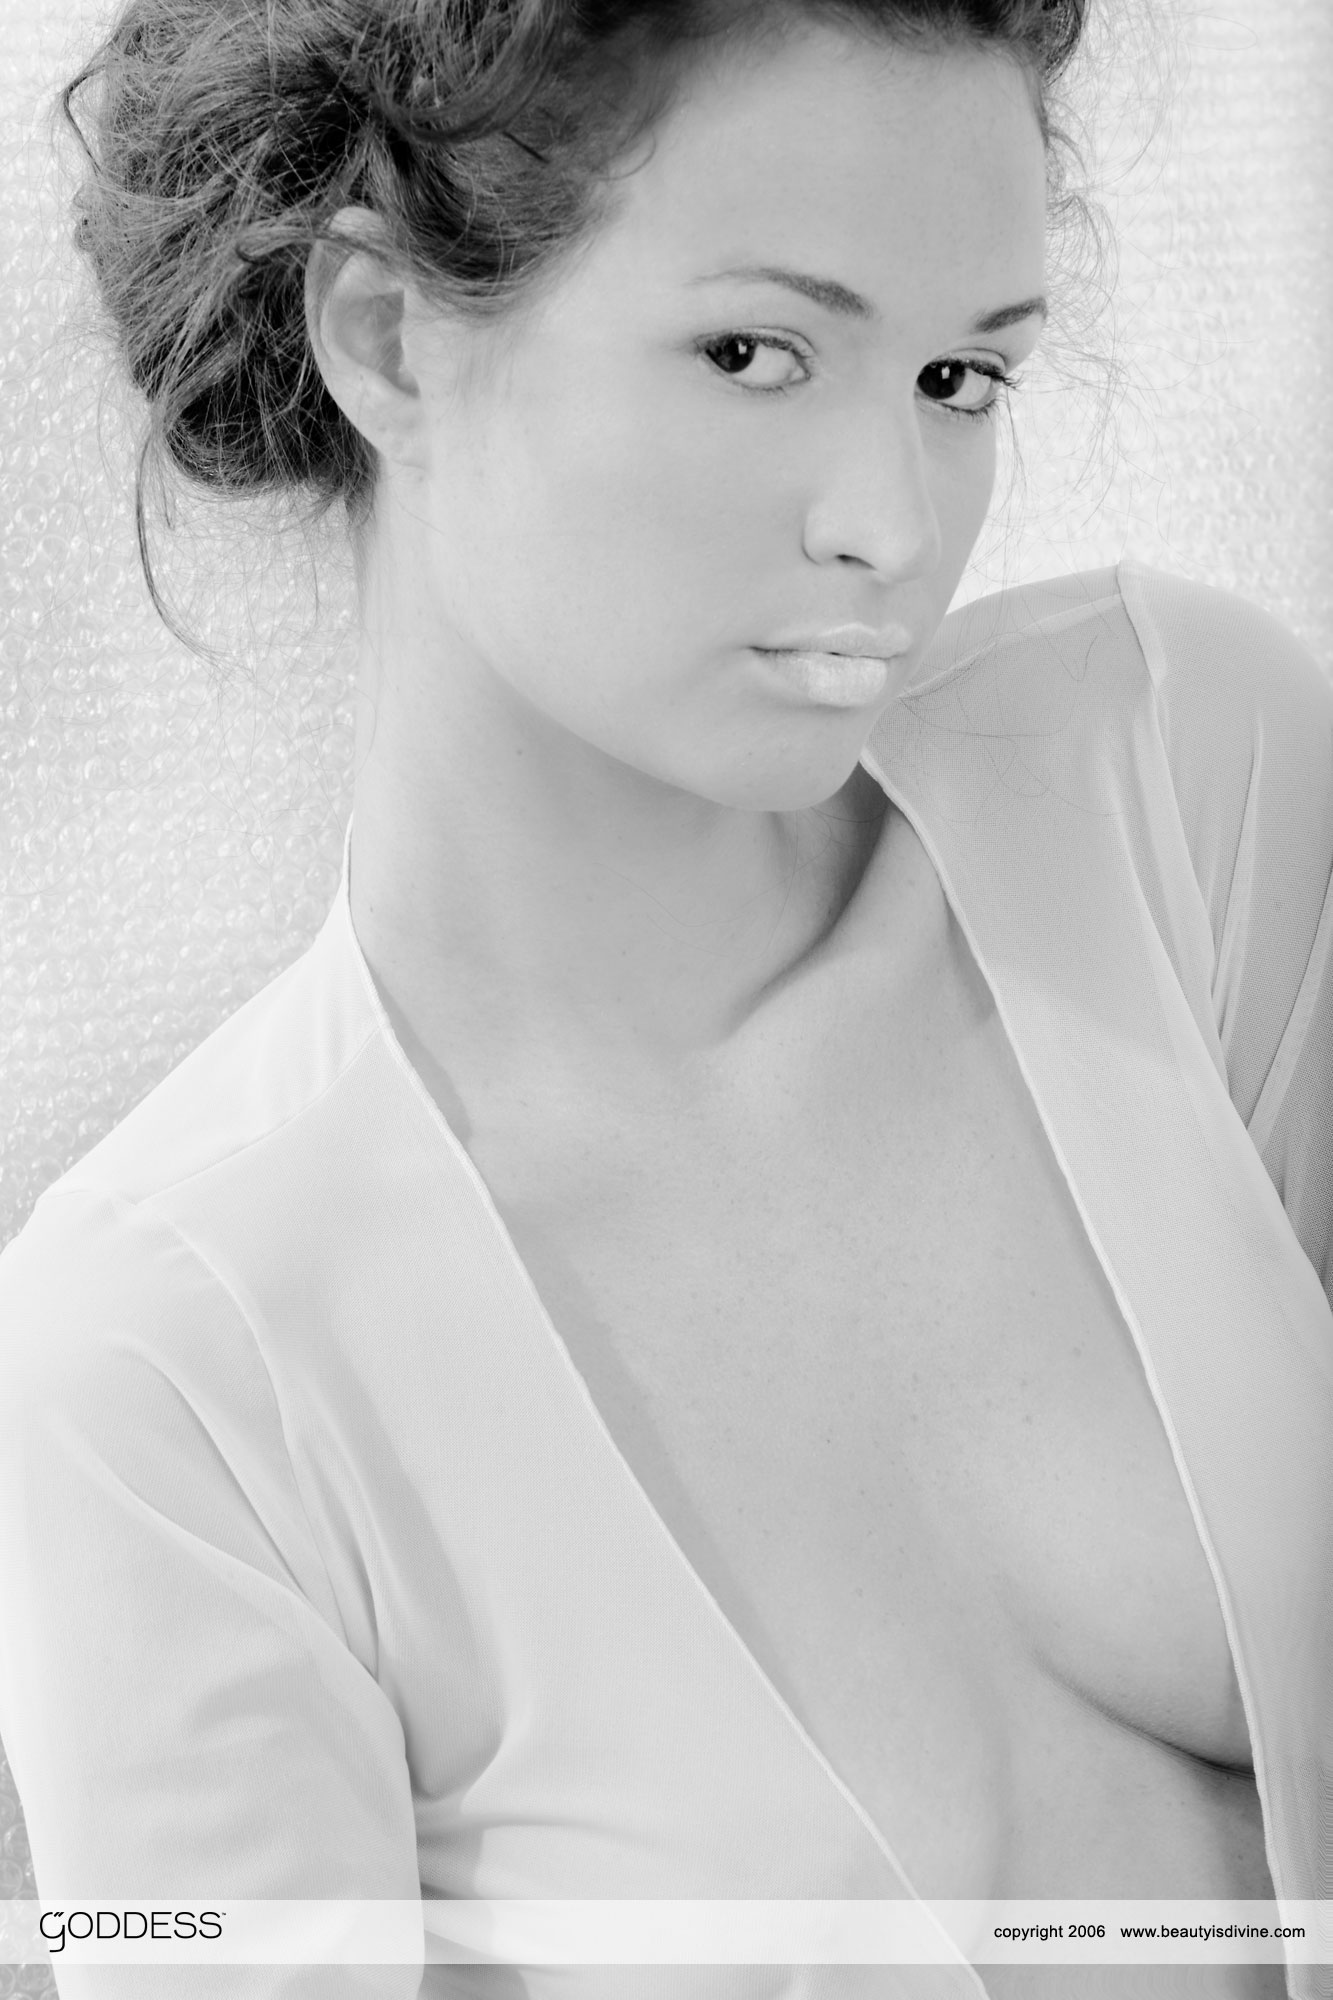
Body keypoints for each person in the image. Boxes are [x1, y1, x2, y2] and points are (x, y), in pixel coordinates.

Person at [0, 1, 1330, 1996]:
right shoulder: (165, 1369)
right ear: (384, 333)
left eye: (958, 377)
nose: (890, 523)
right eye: (752, 354)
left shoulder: (1171, 784)